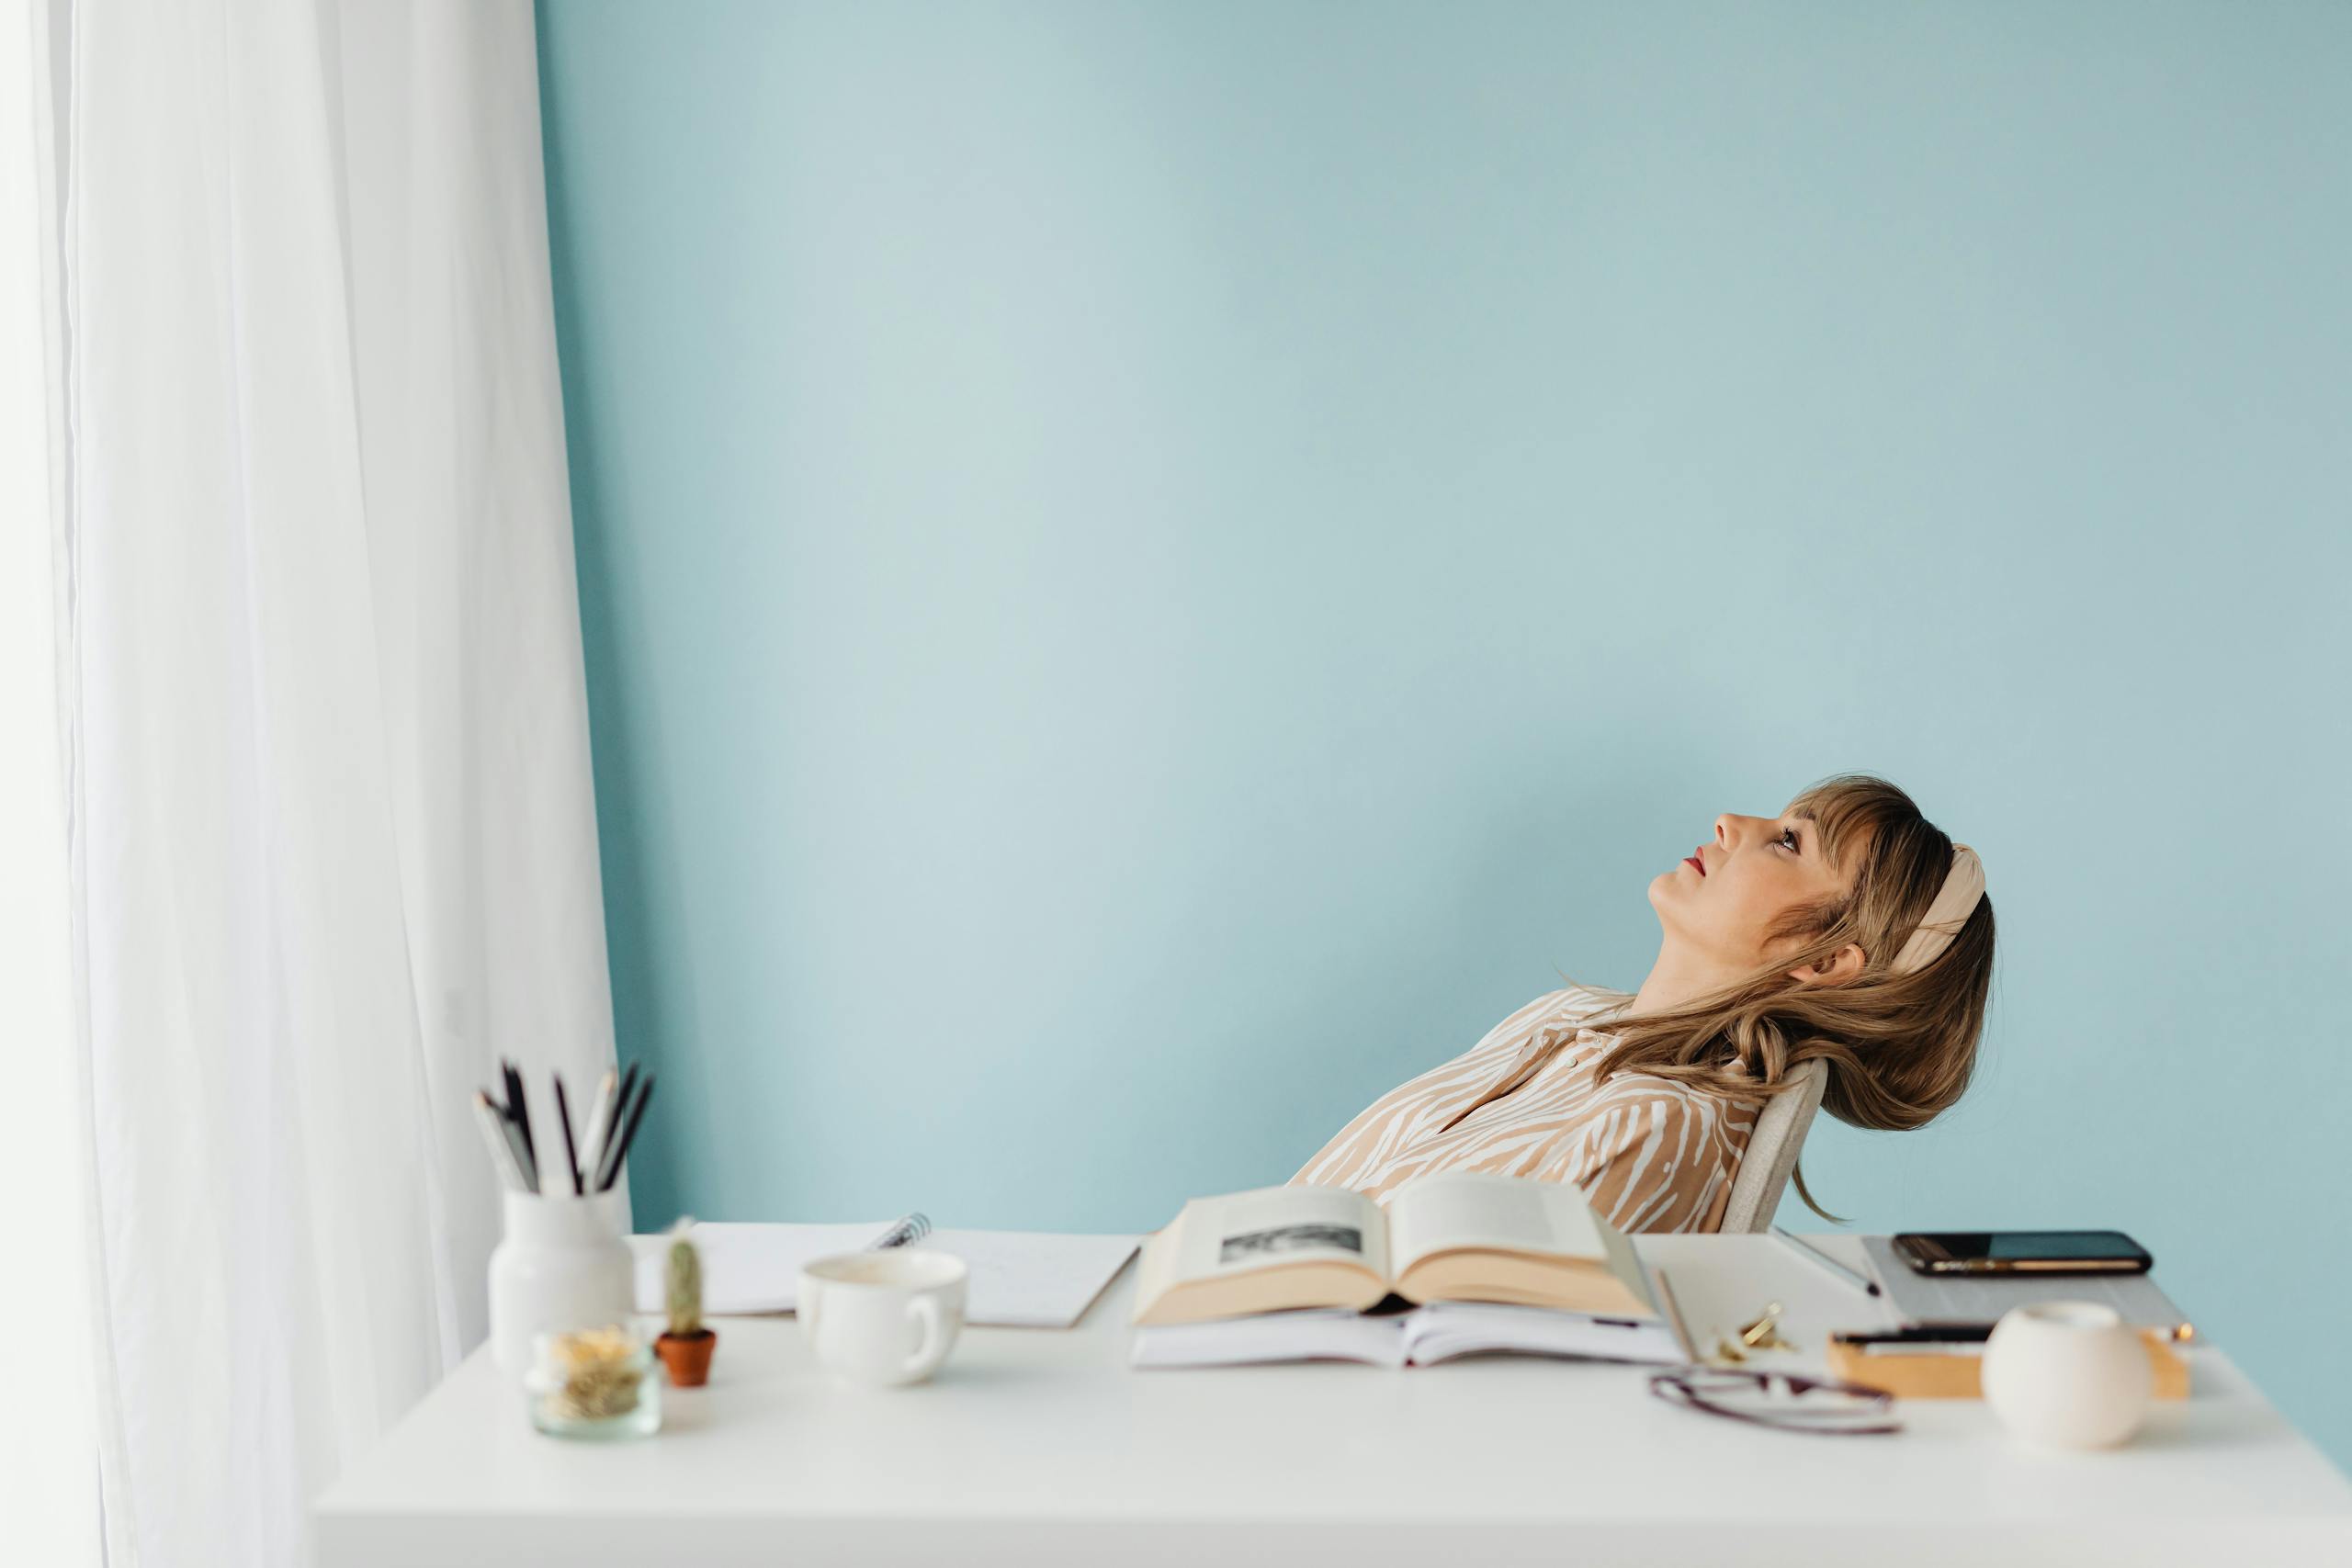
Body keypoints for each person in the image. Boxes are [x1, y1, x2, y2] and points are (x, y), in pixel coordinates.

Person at [1288, 773, 1994, 1232]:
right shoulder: (1562, 1018)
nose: (1727, 821)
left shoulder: (1657, 1129)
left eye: (1787, 842)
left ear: (1823, 960)